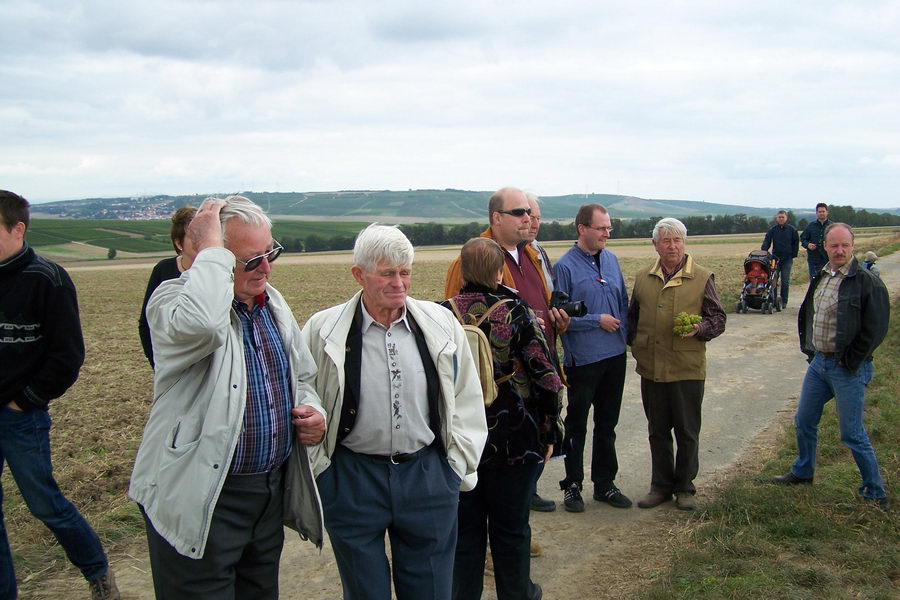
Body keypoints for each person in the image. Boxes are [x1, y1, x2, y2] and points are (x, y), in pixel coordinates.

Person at [129, 196, 326, 599]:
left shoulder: (271, 302)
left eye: (270, 253)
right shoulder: (172, 301)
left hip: (267, 493)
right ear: (214, 258)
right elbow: (204, 325)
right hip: (204, 494)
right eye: (251, 260)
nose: (267, 269)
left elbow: (302, 376)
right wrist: (210, 252)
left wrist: (313, 409)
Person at [301, 224, 488, 600]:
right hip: (351, 479)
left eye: (405, 272)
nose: (399, 283)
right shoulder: (323, 329)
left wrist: (455, 468)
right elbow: (302, 389)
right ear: (359, 274)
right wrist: (322, 470)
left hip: (428, 476)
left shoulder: (441, 324)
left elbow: (467, 395)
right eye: (387, 273)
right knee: (365, 592)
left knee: (432, 591)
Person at [0, 190, 120, 600]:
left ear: (18, 228)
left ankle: (98, 572)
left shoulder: (46, 278)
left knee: (44, 504)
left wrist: (25, 400)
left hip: (20, 416)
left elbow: (67, 356)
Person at [444, 237, 562, 600]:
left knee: (464, 537)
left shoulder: (439, 315)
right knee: (511, 531)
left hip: (459, 443)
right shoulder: (516, 310)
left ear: (463, 271)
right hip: (515, 439)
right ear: (499, 271)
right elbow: (545, 375)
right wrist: (551, 428)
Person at [445, 187, 569, 513]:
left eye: (529, 212)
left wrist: (555, 322)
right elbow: (460, 331)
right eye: (519, 212)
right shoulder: (473, 258)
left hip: (526, 394)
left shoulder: (530, 255)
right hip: (486, 399)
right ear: (496, 218)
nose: (528, 218)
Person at [773, 223, 890, 509]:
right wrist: (812, 351)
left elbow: (876, 329)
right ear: (825, 245)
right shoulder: (823, 275)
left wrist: (851, 361)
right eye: (834, 245)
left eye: (845, 245)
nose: (839, 250)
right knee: (804, 420)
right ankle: (803, 471)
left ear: (853, 246)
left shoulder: (867, 282)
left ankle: (875, 493)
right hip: (820, 363)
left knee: (852, 433)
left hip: (848, 367)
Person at [626, 218, 726, 511]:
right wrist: (636, 344)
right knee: (657, 430)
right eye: (666, 240)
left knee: (686, 430)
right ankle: (660, 486)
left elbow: (718, 318)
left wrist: (699, 329)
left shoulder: (703, 277)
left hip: (686, 367)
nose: (672, 246)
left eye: (677, 240)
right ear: (655, 244)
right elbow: (632, 318)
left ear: (685, 242)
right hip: (652, 368)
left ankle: (685, 487)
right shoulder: (643, 277)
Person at [554, 204, 632, 512]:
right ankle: (572, 486)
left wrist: (624, 335)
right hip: (583, 360)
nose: (607, 234)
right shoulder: (564, 267)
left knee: (607, 424)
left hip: (614, 356)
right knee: (577, 426)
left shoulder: (612, 260)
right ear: (582, 229)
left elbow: (623, 302)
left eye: (609, 228)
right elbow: (560, 318)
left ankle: (605, 484)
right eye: (601, 228)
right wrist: (596, 320)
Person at [522, 193, 557, 516]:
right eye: (527, 215)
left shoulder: (539, 253)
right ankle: (524, 490)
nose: (533, 222)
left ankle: (530, 488)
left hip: (545, 347)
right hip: (519, 359)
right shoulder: (494, 254)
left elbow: (549, 295)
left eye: (537, 217)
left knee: (543, 423)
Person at [138, 205, 197, 367]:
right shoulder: (163, 270)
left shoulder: (220, 272)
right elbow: (146, 323)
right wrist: (157, 365)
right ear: (179, 243)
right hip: (172, 363)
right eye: (195, 237)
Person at [761, 209, 799, 308]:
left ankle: (784, 301)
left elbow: (795, 243)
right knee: (773, 280)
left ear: (786, 218)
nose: (781, 219)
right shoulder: (772, 230)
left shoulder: (792, 230)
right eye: (779, 217)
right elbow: (767, 241)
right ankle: (773, 300)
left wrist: (793, 254)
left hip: (787, 259)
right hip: (775, 259)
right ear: (776, 218)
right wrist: (764, 251)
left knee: (785, 281)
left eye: (783, 217)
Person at [800, 203, 833, 279]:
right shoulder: (811, 226)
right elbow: (803, 238)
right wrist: (808, 245)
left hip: (828, 259)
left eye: (823, 211)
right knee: (814, 282)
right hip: (814, 260)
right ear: (816, 213)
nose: (821, 213)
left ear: (827, 212)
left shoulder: (832, 226)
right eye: (819, 212)